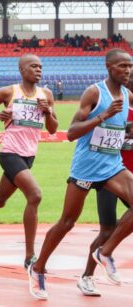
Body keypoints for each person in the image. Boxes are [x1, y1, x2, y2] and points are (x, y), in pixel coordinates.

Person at [28, 49, 133, 300]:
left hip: (111, 167)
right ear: (108, 67)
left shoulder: (128, 95)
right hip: (86, 168)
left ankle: (104, 254)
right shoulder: (95, 92)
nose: (128, 71)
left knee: (113, 223)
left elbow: (119, 128)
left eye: (130, 66)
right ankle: (38, 268)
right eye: (122, 66)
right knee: (67, 222)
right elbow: (72, 132)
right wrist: (103, 116)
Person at [0, 54, 58, 269]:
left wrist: (47, 111)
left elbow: (53, 128)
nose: (39, 70)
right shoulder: (9, 91)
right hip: (10, 153)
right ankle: (30, 256)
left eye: (41, 66)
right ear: (22, 70)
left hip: (29, 155)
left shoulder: (46, 94)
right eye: (34, 66)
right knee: (35, 195)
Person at [76, 66, 133, 297]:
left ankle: (106, 252)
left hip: (126, 176)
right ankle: (87, 276)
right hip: (108, 172)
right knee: (107, 229)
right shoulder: (115, 106)